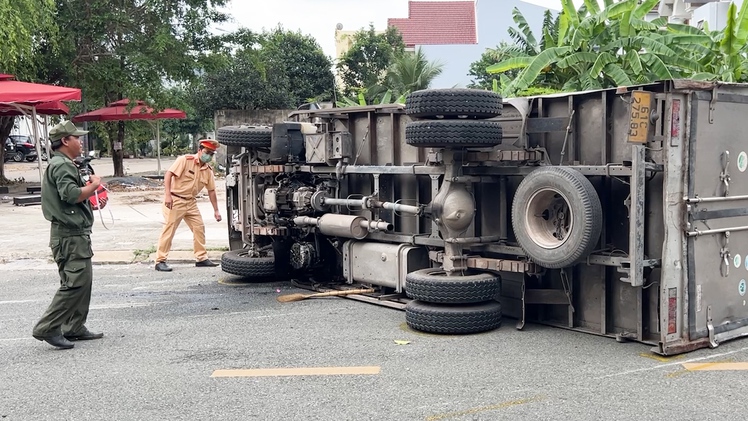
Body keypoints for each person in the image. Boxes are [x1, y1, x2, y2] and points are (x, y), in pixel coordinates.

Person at [32, 121, 106, 350]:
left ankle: (73, 327)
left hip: (73, 233)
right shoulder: (62, 165)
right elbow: (71, 195)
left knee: (82, 283)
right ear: (65, 141)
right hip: (69, 235)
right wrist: (95, 185)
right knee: (76, 283)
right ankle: (46, 327)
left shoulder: (64, 164)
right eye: (76, 138)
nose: (81, 141)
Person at [154, 139, 222, 271]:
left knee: (199, 228)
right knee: (169, 230)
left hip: (191, 202)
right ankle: (160, 261)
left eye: (212, 154)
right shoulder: (185, 160)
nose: (209, 156)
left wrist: (216, 210)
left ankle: (201, 258)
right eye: (207, 152)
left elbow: (211, 191)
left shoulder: (207, 170)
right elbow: (169, 174)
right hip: (175, 200)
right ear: (199, 150)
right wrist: (168, 195)